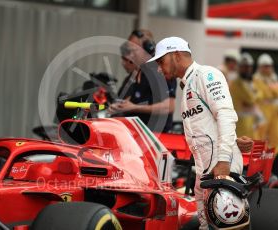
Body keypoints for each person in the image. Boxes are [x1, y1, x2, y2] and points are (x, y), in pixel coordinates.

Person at [147, 36, 245, 229]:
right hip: (205, 173)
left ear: (175, 55)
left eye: (161, 61)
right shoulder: (188, 85)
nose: (159, 68)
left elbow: (225, 115)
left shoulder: (206, 75)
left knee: (230, 226)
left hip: (221, 168)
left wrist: (224, 160)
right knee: (205, 226)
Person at [110, 29, 177, 133]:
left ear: (148, 48)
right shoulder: (138, 73)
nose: (129, 56)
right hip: (138, 136)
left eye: (133, 50)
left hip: (157, 137)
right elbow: (132, 102)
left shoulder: (161, 71)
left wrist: (134, 107)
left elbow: (168, 106)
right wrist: (120, 107)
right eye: (128, 51)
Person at [230, 53, 265, 139]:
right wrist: (256, 95)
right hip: (241, 122)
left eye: (249, 66)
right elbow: (250, 99)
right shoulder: (236, 83)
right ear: (239, 67)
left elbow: (262, 94)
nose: (247, 69)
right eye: (244, 66)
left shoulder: (252, 81)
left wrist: (256, 96)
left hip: (252, 120)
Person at [253, 53, 278, 150]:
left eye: (269, 66)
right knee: (260, 135)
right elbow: (259, 95)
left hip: (274, 111)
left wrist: (269, 90)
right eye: (265, 66)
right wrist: (270, 91)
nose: (268, 68)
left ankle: (274, 158)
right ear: (260, 67)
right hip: (262, 111)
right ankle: (258, 156)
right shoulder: (256, 79)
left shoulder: (274, 78)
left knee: (275, 135)